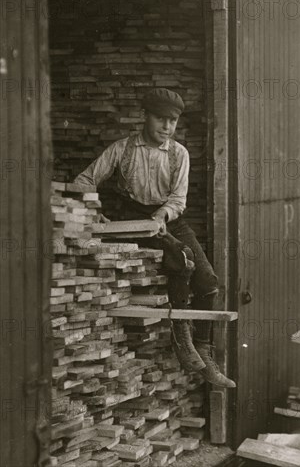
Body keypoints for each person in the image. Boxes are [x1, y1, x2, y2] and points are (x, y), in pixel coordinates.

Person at [74, 88, 236, 388]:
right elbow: (83, 181)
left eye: (173, 121)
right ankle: (182, 340)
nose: (167, 127)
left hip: (169, 218)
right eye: (161, 119)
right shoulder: (122, 150)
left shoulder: (178, 154)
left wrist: (161, 217)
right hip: (132, 221)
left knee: (208, 282)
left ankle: (203, 349)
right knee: (179, 261)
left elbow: (178, 199)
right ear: (144, 116)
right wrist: (93, 212)